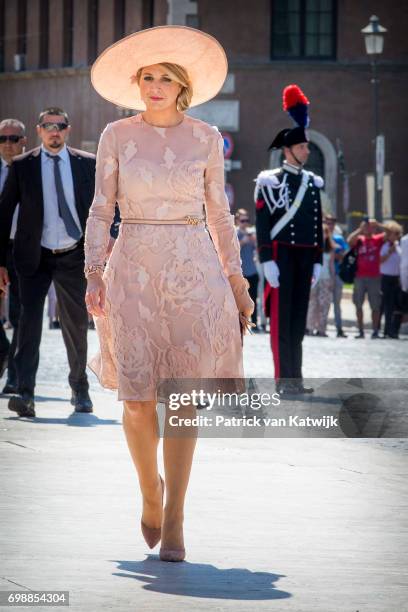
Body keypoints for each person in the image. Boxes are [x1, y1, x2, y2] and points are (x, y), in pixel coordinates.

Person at [85, 26, 254, 563]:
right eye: (147, 77)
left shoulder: (206, 138)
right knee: (136, 402)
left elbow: (220, 215)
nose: (155, 86)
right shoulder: (115, 135)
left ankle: (177, 513)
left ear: (183, 87)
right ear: (137, 84)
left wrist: (237, 283)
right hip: (131, 267)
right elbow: (100, 210)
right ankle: (150, 491)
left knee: (181, 397)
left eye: (166, 78)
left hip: (193, 270)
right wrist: (93, 271)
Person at [0, 107, 97, 417]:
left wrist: (102, 248)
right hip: (33, 255)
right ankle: (25, 393)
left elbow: (102, 208)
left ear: (67, 130)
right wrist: (0, 263)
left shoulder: (86, 164)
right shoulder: (22, 166)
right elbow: (3, 216)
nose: (54, 131)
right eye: (48, 126)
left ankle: (79, 388)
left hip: (74, 253)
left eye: (60, 126)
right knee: (28, 324)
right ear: (39, 131)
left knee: (76, 323)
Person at [254, 84, 324, 395]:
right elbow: (263, 222)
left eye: (307, 147)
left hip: (305, 257)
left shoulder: (312, 184)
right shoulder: (270, 182)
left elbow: (317, 222)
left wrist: (319, 259)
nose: (307, 151)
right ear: (289, 150)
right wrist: (267, 259)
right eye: (303, 147)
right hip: (281, 256)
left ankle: (296, 379)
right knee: (281, 322)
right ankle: (283, 380)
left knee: (298, 321)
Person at [0, 118, 26, 394]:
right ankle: (4, 351)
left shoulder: (32, 170)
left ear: (24, 141)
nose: (8, 144)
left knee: (20, 314)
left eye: (14, 138)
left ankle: (15, 377)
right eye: (3, 139)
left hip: (21, 248)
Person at [347, 218, 387, 339]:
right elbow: (349, 241)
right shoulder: (359, 240)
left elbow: (392, 233)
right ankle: (361, 331)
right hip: (359, 277)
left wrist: (378, 224)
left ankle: (375, 331)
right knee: (358, 304)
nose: (369, 228)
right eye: (367, 226)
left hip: (374, 277)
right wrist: (360, 229)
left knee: (375, 305)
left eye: (370, 226)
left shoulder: (378, 239)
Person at [306, 222, 335, 336]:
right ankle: (309, 327)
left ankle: (321, 329)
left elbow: (332, 266)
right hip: (313, 280)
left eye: (324, 232)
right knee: (312, 304)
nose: (322, 234)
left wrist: (332, 280)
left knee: (324, 305)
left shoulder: (330, 249)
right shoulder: (312, 247)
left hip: (325, 279)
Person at [325, 214, 348, 337]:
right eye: (327, 222)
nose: (329, 225)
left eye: (332, 223)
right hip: (324, 275)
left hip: (337, 274)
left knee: (337, 304)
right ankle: (321, 327)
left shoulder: (339, 238)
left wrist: (334, 252)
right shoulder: (321, 237)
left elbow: (343, 255)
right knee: (324, 303)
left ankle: (339, 328)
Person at [235, 208, 259, 330]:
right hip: (241, 273)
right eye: (243, 220)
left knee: (253, 298)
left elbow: (257, 251)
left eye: (247, 220)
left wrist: (255, 242)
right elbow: (232, 250)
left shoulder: (251, 233)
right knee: (240, 300)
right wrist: (242, 242)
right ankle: (241, 323)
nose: (245, 223)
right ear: (238, 221)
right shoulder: (235, 233)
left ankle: (254, 323)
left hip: (252, 271)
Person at [379, 221, 403, 338]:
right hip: (386, 277)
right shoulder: (384, 246)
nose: (395, 236)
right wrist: (389, 252)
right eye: (393, 233)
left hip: (397, 278)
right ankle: (384, 330)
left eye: (397, 233)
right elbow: (380, 260)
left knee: (397, 306)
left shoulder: (401, 246)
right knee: (385, 305)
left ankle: (393, 330)